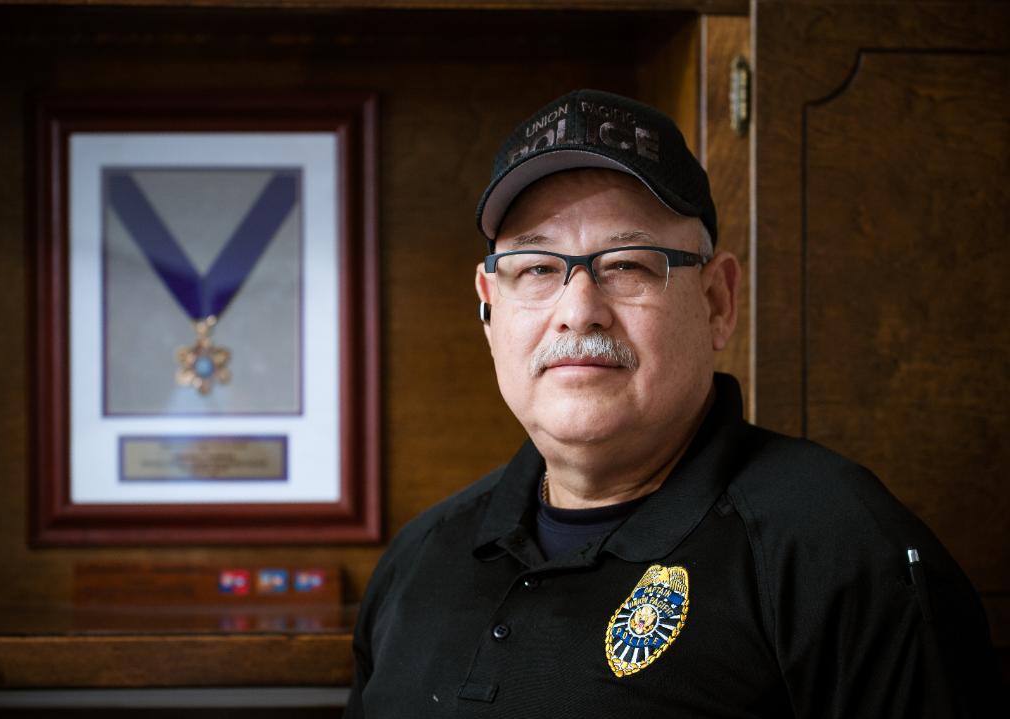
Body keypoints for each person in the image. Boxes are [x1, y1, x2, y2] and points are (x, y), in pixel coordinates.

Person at [344, 89, 996, 718]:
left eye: (628, 263)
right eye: (537, 267)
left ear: (717, 302)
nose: (577, 310)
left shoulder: (844, 553)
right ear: (489, 305)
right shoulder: (415, 565)